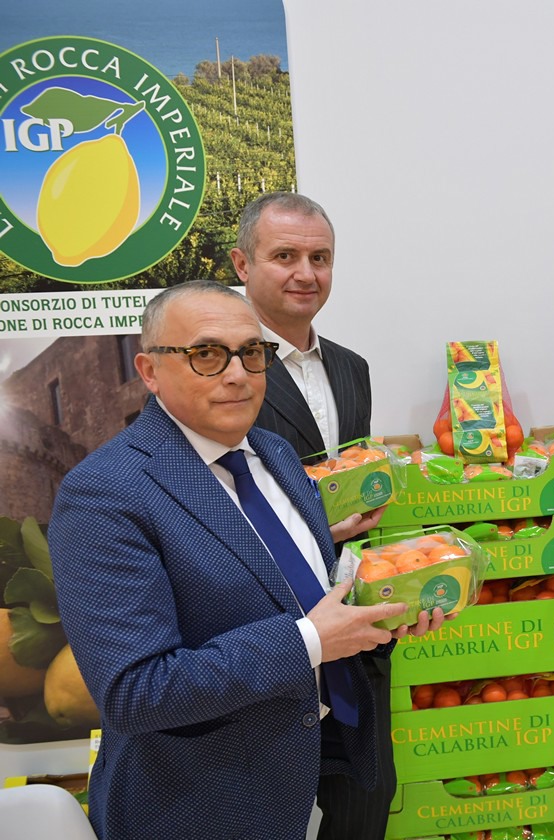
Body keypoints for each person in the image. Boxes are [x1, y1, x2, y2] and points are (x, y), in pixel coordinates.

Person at [46, 281, 444, 840]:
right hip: (206, 801)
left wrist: (377, 619)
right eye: (206, 354)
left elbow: (304, 593)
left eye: (252, 352)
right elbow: (137, 692)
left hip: (332, 760)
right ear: (150, 370)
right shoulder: (105, 494)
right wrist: (311, 641)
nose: (237, 374)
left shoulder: (276, 454)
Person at [230, 192, 394, 838]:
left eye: (320, 258)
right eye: (285, 256)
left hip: (355, 625)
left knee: (364, 803)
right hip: (264, 634)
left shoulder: (352, 368)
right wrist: (314, 532)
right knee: (268, 814)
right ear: (242, 264)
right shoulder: (222, 371)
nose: (306, 273)